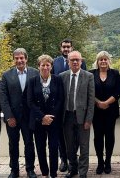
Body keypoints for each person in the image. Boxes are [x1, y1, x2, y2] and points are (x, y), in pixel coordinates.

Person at [0, 48, 39, 178]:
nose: (19, 60)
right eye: (16, 58)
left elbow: (37, 95)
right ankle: (14, 170)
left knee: (29, 143)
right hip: (13, 117)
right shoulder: (6, 75)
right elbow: (3, 98)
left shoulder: (35, 73)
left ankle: (30, 169)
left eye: (21, 58)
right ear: (14, 60)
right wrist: (9, 116)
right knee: (13, 144)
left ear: (26, 59)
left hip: (29, 117)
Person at [52, 38, 86, 172]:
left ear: (72, 48)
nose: (66, 49)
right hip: (61, 106)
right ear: (61, 48)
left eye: (68, 47)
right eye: (64, 47)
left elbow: (85, 81)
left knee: (76, 135)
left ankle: (73, 157)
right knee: (61, 135)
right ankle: (63, 159)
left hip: (77, 106)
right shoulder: (55, 62)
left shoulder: (80, 61)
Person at [28, 55, 64, 178]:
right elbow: (30, 102)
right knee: (40, 147)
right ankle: (44, 172)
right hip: (38, 121)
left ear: (51, 66)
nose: (45, 67)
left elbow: (60, 99)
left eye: (47, 65)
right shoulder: (32, 81)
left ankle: (53, 173)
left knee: (54, 147)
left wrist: (50, 117)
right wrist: (42, 117)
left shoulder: (57, 79)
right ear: (38, 66)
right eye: (42, 65)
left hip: (54, 121)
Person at [60, 51, 95, 178]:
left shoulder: (88, 76)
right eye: (72, 60)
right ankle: (72, 169)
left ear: (81, 61)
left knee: (84, 146)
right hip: (67, 116)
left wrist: (89, 119)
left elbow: (91, 100)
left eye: (77, 60)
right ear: (68, 62)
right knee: (70, 146)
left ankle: (83, 172)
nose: (75, 62)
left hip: (83, 117)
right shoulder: (62, 76)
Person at [90, 51, 120, 175]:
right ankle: (100, 162)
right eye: (100, 59)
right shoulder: (91, 74)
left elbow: (117, 91)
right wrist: (98, 103)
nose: (103, 61)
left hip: (111, 111)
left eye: (105, 59)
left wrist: (106, 103)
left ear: (109, 61)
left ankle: (108, 161)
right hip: (96, 111)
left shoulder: (115, 73)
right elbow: (89, 91)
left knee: (109, 137)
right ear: (97, 61)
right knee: (97, 137)